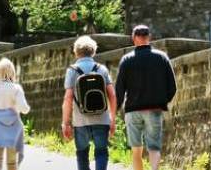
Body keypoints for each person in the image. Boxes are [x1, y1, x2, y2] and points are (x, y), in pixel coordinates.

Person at [115, 25, 176, 170]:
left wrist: (116, 109)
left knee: (136, 149)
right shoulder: (161, 57)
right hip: (154, 109)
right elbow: (172, 87)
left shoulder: (126, 60)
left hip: (132, 109)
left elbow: (119, 89)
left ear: (133, 38)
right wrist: (161, 101)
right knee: (154, 147)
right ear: (149, 37)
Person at [61, 36, 118, 170]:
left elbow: (68, 98)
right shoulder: (101, 69)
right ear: (93, 51)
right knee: (101, 152)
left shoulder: (72, 71)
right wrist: (112, 118)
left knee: (82, 153)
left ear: (76, 52)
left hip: (80, 121)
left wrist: (66, 123)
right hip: (101, 118)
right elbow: (113, 95)